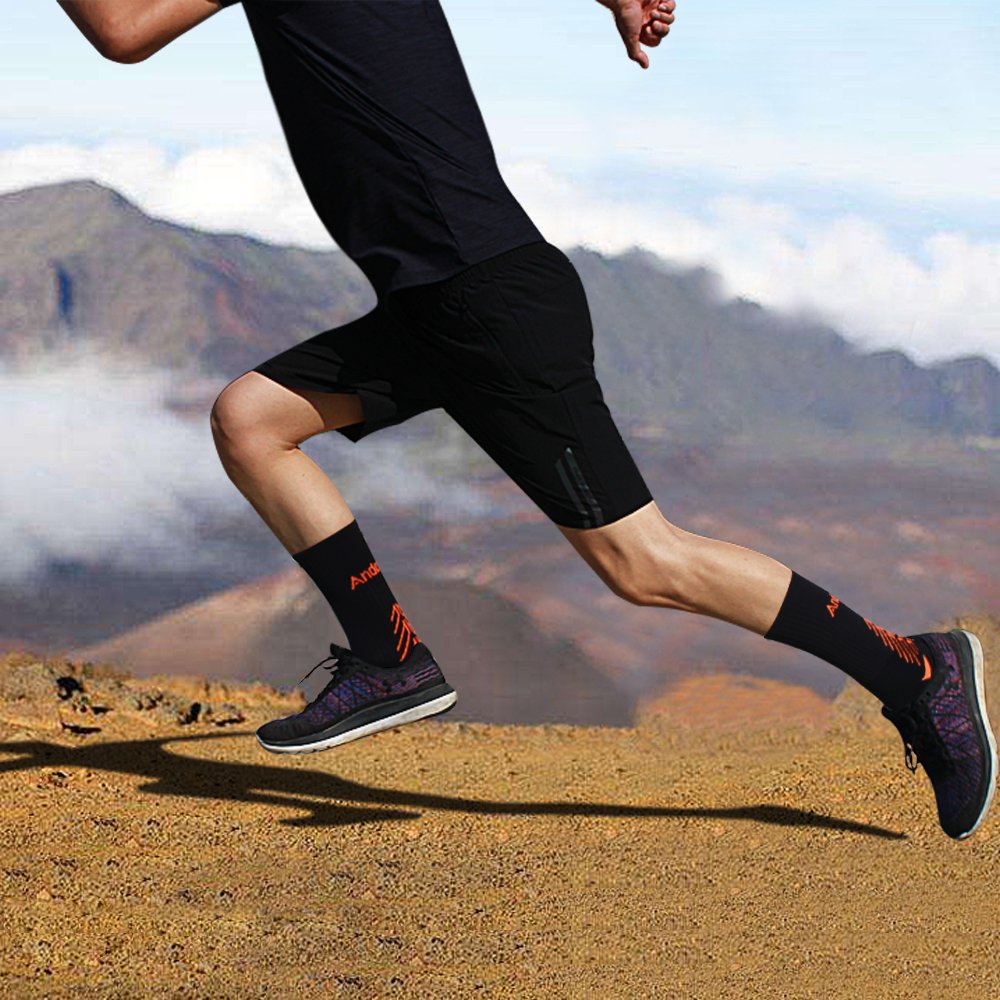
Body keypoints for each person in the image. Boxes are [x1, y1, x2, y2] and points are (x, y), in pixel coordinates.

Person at [58, 0, 995, 840]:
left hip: (486, 305)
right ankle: (389, 658)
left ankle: (918, 673)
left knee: (646, 563)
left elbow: (122, 27)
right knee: (252, 421)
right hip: (439, 307)